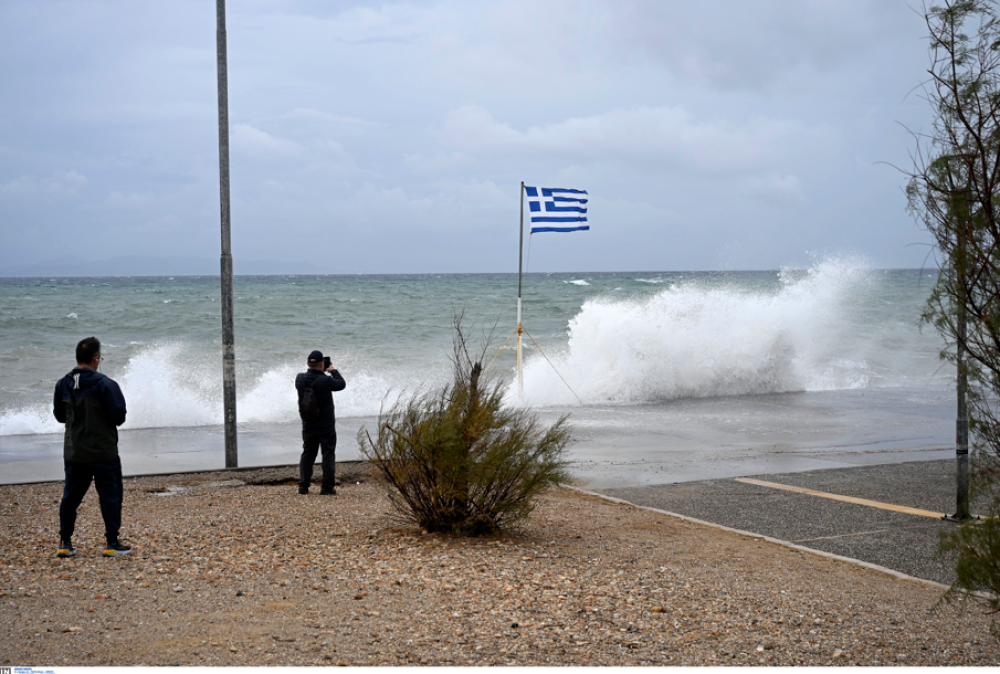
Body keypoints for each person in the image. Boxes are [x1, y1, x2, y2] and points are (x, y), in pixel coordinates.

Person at [52, 336, 131, 557]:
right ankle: (111, 543)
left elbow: (59, 416)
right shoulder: (105, 384)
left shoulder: (62, 384)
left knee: (71, 497)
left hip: (75, 451)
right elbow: (119, 417)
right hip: (103, 451)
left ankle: (65, 543)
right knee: (110, 495)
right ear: (96, 359)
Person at [295, 350, 346, 495]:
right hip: (326, 425)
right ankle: (327, 487)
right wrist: (333, 370)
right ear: (322, 364)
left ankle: (303, 486)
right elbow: (341, 384)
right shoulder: (326, 380)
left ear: (307, 364)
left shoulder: (300, 379)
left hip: (308, 423)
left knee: (308, 453)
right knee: (328, 454)